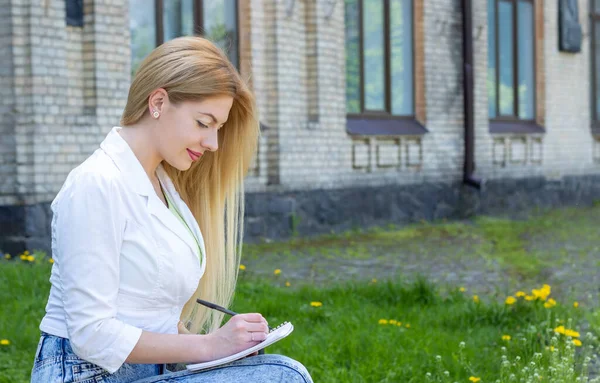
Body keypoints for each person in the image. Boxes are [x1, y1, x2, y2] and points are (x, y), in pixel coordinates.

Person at [30, 36, 312, 383]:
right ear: (159, 102)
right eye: (203, 123)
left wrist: (226, 347)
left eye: (218, 129)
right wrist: (209, 345)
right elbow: (92, 334)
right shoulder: (97, 183)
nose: (213, 144)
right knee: (283, 377)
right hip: (87, 374)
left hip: (148, 372)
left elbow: (151, 313)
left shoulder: (165, 186)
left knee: (277, 373)